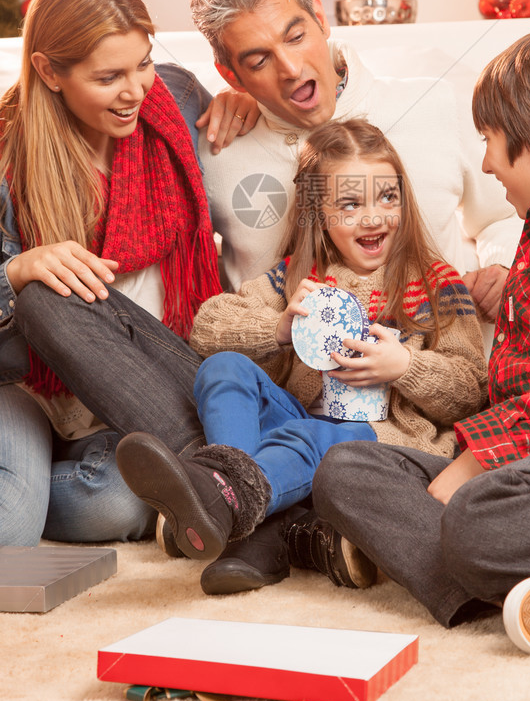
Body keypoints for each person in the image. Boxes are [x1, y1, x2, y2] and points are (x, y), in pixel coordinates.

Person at [305, 29, 530, 656]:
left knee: (478, 510)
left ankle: (515, 561)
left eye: (489, 141)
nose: (485, 163)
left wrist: (483, 458)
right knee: (347, 468)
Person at [116, 118, 488, 594]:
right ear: (320, 214)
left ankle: (221, 499)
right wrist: (278, 329)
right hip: (291, 425)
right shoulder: (298, 279)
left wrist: (406, 369)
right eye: (351, 205)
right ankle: (233, 499)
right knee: (223, 368)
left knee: (311, 436)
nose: (373, 218)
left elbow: (473, 391)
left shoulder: (437, 285)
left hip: (379, 441)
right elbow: (206, 328)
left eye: (387, 198)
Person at [0, 0, 252, 546]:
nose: (137, 89)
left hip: (132, 384)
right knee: (12, 525)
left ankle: (46, 486)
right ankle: (26, 488)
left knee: (117, 505)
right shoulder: (9, 151)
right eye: (109, 75)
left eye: (142, 62)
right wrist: (16, 269)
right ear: (49, 71)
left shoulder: (179, 100)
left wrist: (245, 106)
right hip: (25, 383)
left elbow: (271, 137)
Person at [190, 0, 522, 320]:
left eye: (296, 37)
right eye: (259, 60)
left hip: (438, 361)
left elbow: (503, 214)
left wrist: (504, 267)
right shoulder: (217, 152)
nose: (291, 69)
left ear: (320, 17)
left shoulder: (434, 105)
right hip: (285, 376)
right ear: (231, 75)